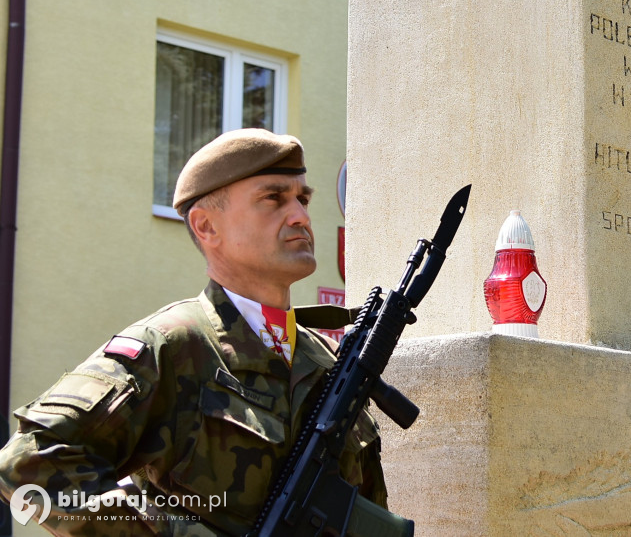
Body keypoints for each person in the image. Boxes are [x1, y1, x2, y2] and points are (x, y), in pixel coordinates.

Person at [0, 129, 386, 535]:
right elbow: (27, 464)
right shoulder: (172, 346)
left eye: (302, 199)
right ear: (206, 227)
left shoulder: (332, 364)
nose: (301, 217)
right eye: (274, 198)